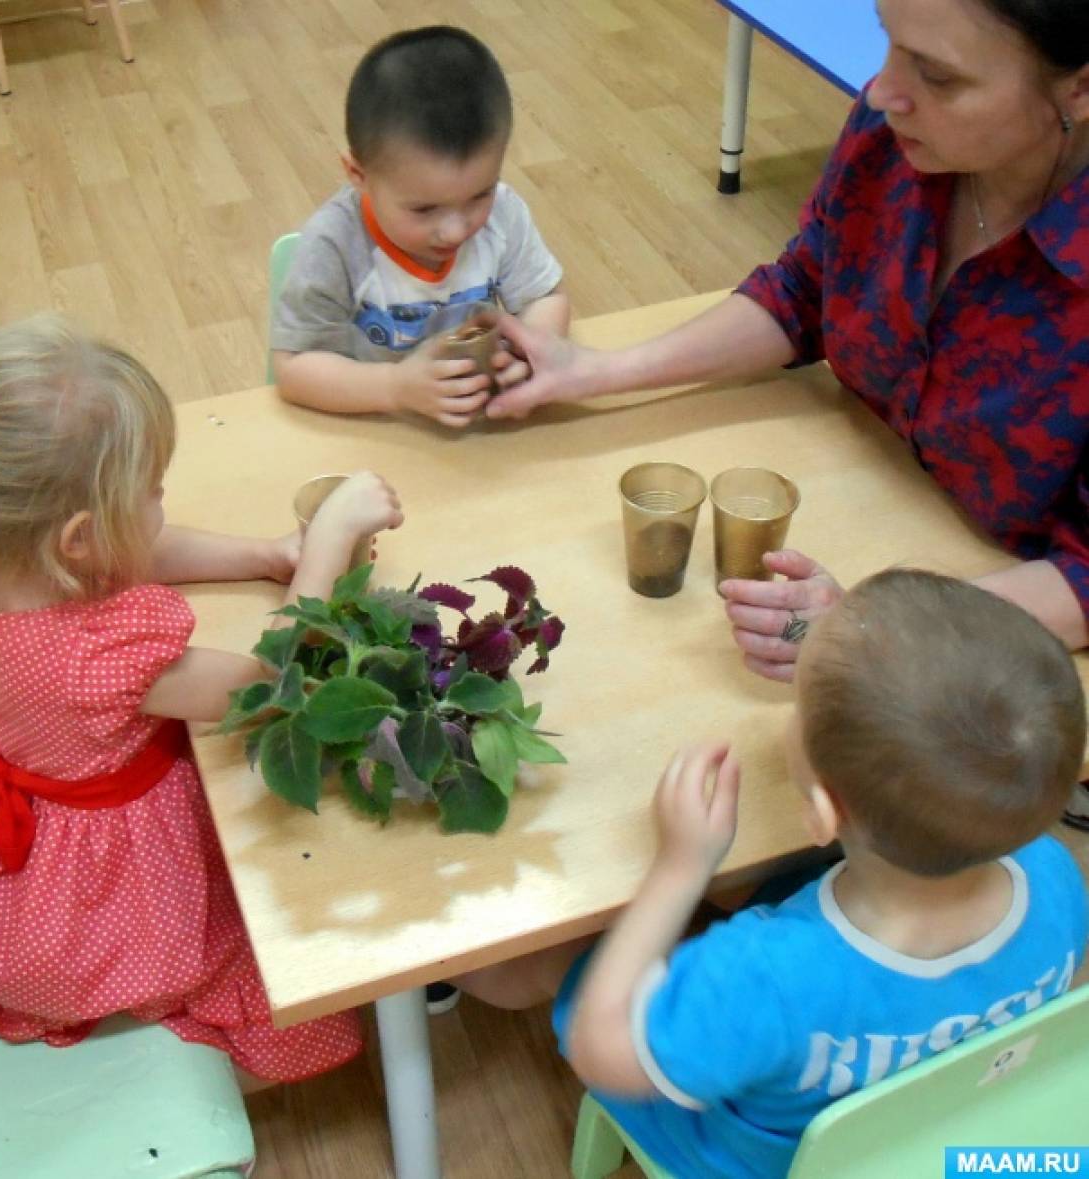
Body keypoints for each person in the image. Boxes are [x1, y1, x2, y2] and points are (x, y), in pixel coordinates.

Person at [0, 318, 402, 1089]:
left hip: (35, 797)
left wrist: (265, 554)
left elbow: (135, 548)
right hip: (105, 875)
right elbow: (268, 683)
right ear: (79, 540)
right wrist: (326, 541)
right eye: (152, 492)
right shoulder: (96, 655)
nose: (160, 502)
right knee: (290, 945)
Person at [484, 4, 1089, 676]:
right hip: (867, 506)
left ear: (1080, 88)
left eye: (938, 77)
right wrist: (595, 370)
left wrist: (884, 629)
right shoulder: (892, 137)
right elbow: (806, 290)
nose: (881, 91)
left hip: (999, 641)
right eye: (886, 42)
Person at [454, 569, 1088, 1178]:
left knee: (547, 961)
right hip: (934, 1132)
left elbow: (604, 1053)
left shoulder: (764, 976)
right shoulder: (1054, 873)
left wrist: (679, 870)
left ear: (821, 815)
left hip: (755, 1160)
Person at [270, 25, 570, 429]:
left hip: (483, 430)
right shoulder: (335, 243)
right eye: (425, 209)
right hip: (377, 427)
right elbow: (294, 369)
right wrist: (394, 387)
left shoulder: (503, 214)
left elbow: (544, 298)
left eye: (479, 195)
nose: (455, 231)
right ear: (358, 174)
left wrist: (531, 353)